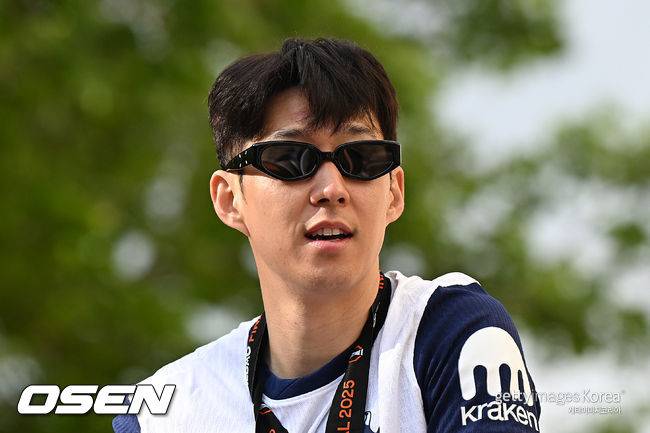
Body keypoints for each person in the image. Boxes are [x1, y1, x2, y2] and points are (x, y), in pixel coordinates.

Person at [113, 37, 541, 433]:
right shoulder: (164, 410)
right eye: (289, 158)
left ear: (394, 192)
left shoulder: (449, 330)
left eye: (361, 157)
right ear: (230, 199)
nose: (331, 189)